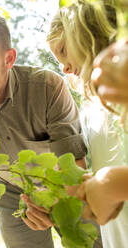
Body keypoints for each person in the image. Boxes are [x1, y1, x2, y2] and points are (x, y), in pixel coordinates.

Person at [0, 10, 89, 248]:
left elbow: (74, 165)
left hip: (65, 185)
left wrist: (51, 202)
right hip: (11, 196)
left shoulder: (47, 87)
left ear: (8, 59)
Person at [47, 1, 128, 247]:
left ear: (86, 34)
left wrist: (111, 184)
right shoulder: (93, 110)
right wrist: (82, 189)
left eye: (63, 50)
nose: (63, 67)